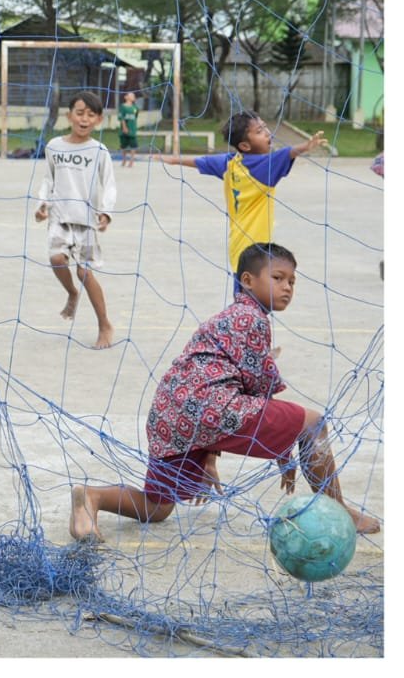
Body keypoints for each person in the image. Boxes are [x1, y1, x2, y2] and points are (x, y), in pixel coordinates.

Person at [70, 242, 380, 543]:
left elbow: (218, 384)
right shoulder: (253, 319)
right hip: (208, 408)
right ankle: (340, 511)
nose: (287, 287)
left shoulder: (225, 318)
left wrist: (209, 457)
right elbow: (257, 394)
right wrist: (284, 453)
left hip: (171, 414)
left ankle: (91, 497)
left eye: (292, 282)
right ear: (247, 280)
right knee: (312, 424)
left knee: (158, 507)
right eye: (277, 278)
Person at [150, 112, 325, 287]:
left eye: (265, 127)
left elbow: (201, 161)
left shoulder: (231, 163)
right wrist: (306, 146)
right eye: (259, 131)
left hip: (238, 248)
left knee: (244, 303)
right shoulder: (264, 167)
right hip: (256, 254)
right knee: (253, 304)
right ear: (245, 145)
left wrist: (173, 160)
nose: (267, 133)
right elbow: (288, 153)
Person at [34, 89, 118, 349]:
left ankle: (104, 324)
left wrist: (105, 213)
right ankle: (71, 293)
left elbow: (110, 185)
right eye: (80, 113)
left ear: (99, 120)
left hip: (86, 219)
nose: (84, 119)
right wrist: (42, 204)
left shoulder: (99, 151)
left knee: (84, 271)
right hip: (59, 215)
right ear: (69, 115)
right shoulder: (54, 146)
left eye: (91, 115)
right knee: (56, 259)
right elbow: (49, 179)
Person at [117, 90, 141, 168]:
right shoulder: (122, 107)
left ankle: (131, 161)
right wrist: (124, 127)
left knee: (133, 146)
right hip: (124, 130)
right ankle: (124, 160)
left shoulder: (135, 108)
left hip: (132, 130)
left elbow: (135, 117)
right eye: (131, 95)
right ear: (126, 97)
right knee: (123, 146)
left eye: (134, 96)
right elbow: (121, 118)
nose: (133, 97)